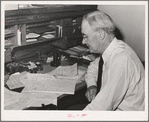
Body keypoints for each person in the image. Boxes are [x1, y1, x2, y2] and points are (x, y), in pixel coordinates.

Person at [80, 10, 145, 111]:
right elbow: (94, 66)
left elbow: (101, 108)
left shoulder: (121, 60)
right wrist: (92, 84)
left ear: (101, 34)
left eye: (85, 36)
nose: (83, 41)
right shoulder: (112, 50)